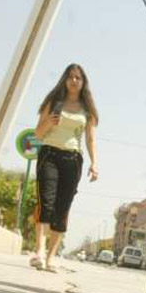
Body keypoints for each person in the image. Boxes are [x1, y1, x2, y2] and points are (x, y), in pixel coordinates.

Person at [30, 64, 99, 272]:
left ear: (83, 82)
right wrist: (49, 123)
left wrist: (95, 163)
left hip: (72, 159)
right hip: (49, 154)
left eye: (78, 77)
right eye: (70, 77)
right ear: (64, 80)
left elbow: (90, 139)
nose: (74, 81)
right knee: (46, 202)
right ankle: (40, 251)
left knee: (62, 208)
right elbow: (38, 134)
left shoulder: (88, 110)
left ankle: (51, 258)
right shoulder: (53, 102)